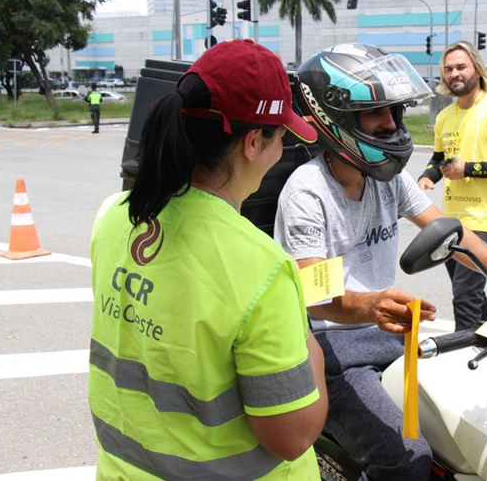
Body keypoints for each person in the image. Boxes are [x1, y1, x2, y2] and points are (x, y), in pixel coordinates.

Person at [275, 43, 487, 480]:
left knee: (476, 426)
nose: (390, 124)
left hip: (391, 338)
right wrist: (371, 305)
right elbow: (314, 294)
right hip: (331, 350)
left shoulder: (387, 179)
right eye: (375, 114)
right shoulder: (309, 193)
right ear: (337, 120)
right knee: (407, 459)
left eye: (394, 111)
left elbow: (458, 235)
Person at [88, 39, 328, 480]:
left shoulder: (114, 216)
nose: (282, 153)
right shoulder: (261, 268)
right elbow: (292, 436)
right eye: (282, 138)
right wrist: (303, 332)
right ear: (253, 143)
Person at [417, 40, 487, 331]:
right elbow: (439, 157)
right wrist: (428, 176)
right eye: (448, 69)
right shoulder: (446, 115)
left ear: (477, 68)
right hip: (452, 220)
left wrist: (469, 169)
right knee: (471, 293)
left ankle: (466, 357)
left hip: (485, 219)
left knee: (465, 295)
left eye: (461, 66)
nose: (454, 74)